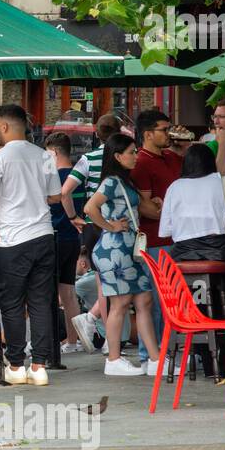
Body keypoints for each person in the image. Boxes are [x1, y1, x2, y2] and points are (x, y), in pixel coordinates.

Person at [0, 104, 62, 386]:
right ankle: (39, 366)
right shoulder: (45, 155)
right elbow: (55, 196)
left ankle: (15, 365)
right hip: (44, 235)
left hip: (12, 239)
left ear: (4, 127)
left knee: (11, 304)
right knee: (40, 302)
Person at [160, 144, 225, 379]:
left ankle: (200, 351)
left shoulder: (174, 187)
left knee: (195, 302)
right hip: (219, 253)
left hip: (183, 256)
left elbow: (166, 231)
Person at [85, 133, 161, 377]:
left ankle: (154, 359)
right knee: (121, 303)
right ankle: (114, 359)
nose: (136, 156)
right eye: (131, 152)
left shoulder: (123, 181)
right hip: (116, 250)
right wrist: (110, 226)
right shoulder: (112, 182)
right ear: (118, 156)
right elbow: (90, 208)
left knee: (143, 301)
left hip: (126, 250)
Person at [131, 109, 182, 363]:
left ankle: (167, 351)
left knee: (170, 300)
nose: (169, 133)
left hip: (175, 239)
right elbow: (146, 206)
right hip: (153, 240)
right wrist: (168, 212)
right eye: (164, 129)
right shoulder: (141, 162)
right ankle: (151, 354)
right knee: (155, 300)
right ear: (148, 134)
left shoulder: (172, 157)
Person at [44, 132, 84, 359]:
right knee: (68, 291)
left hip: (57, 236)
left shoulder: (55, 178)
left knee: (48, 292)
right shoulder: (79, 176)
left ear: (55, 152)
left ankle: (49, 341)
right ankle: (73, 340)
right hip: (74, 239)